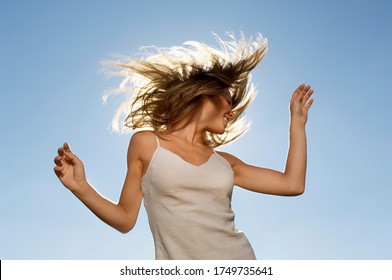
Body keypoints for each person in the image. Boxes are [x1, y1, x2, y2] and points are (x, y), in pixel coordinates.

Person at [53, 33, 314, 260]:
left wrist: (297, 124)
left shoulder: (226, 162)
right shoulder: (146, 144)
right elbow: (125, 219)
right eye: (228, 100)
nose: (232, 112)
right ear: (205, 95)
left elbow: (292, 184)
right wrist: (81, 187)